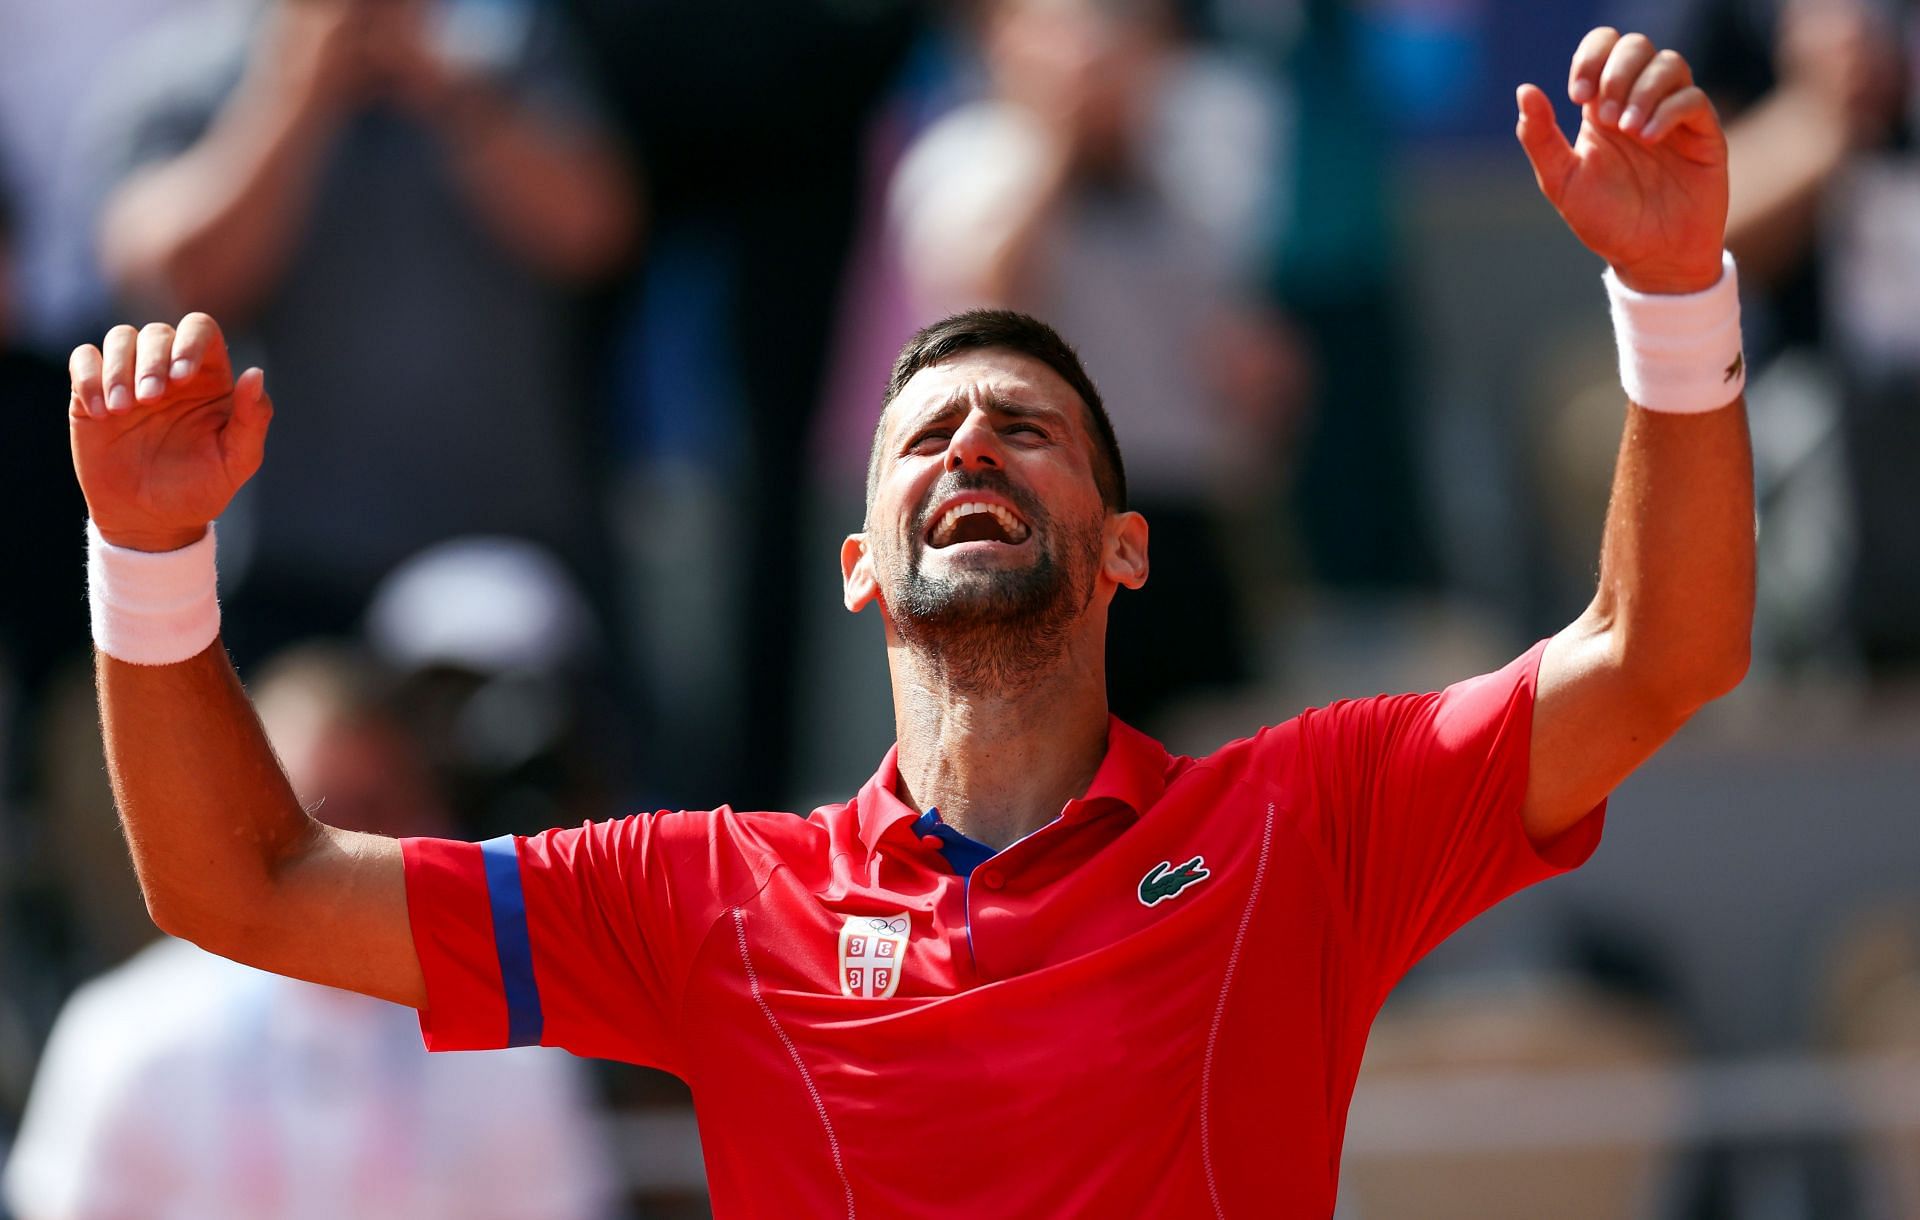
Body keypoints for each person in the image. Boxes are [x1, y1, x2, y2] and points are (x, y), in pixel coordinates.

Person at [61, 29, 1753, 1216]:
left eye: (1029, 428)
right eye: (925, 436)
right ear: (858, 564)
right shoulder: (703, 900)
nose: (970, 445)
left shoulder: (1298, 824)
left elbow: (1658, 654)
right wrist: (148, 560)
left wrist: (1675, 296)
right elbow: (246, 888)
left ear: (1125, 552)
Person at [4, 644, 616, 1220]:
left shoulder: (516, 1050)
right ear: (236, 826)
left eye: (369, 810)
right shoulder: (123, 1035)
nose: (338, 851)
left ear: (431, 821)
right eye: (304, 816)